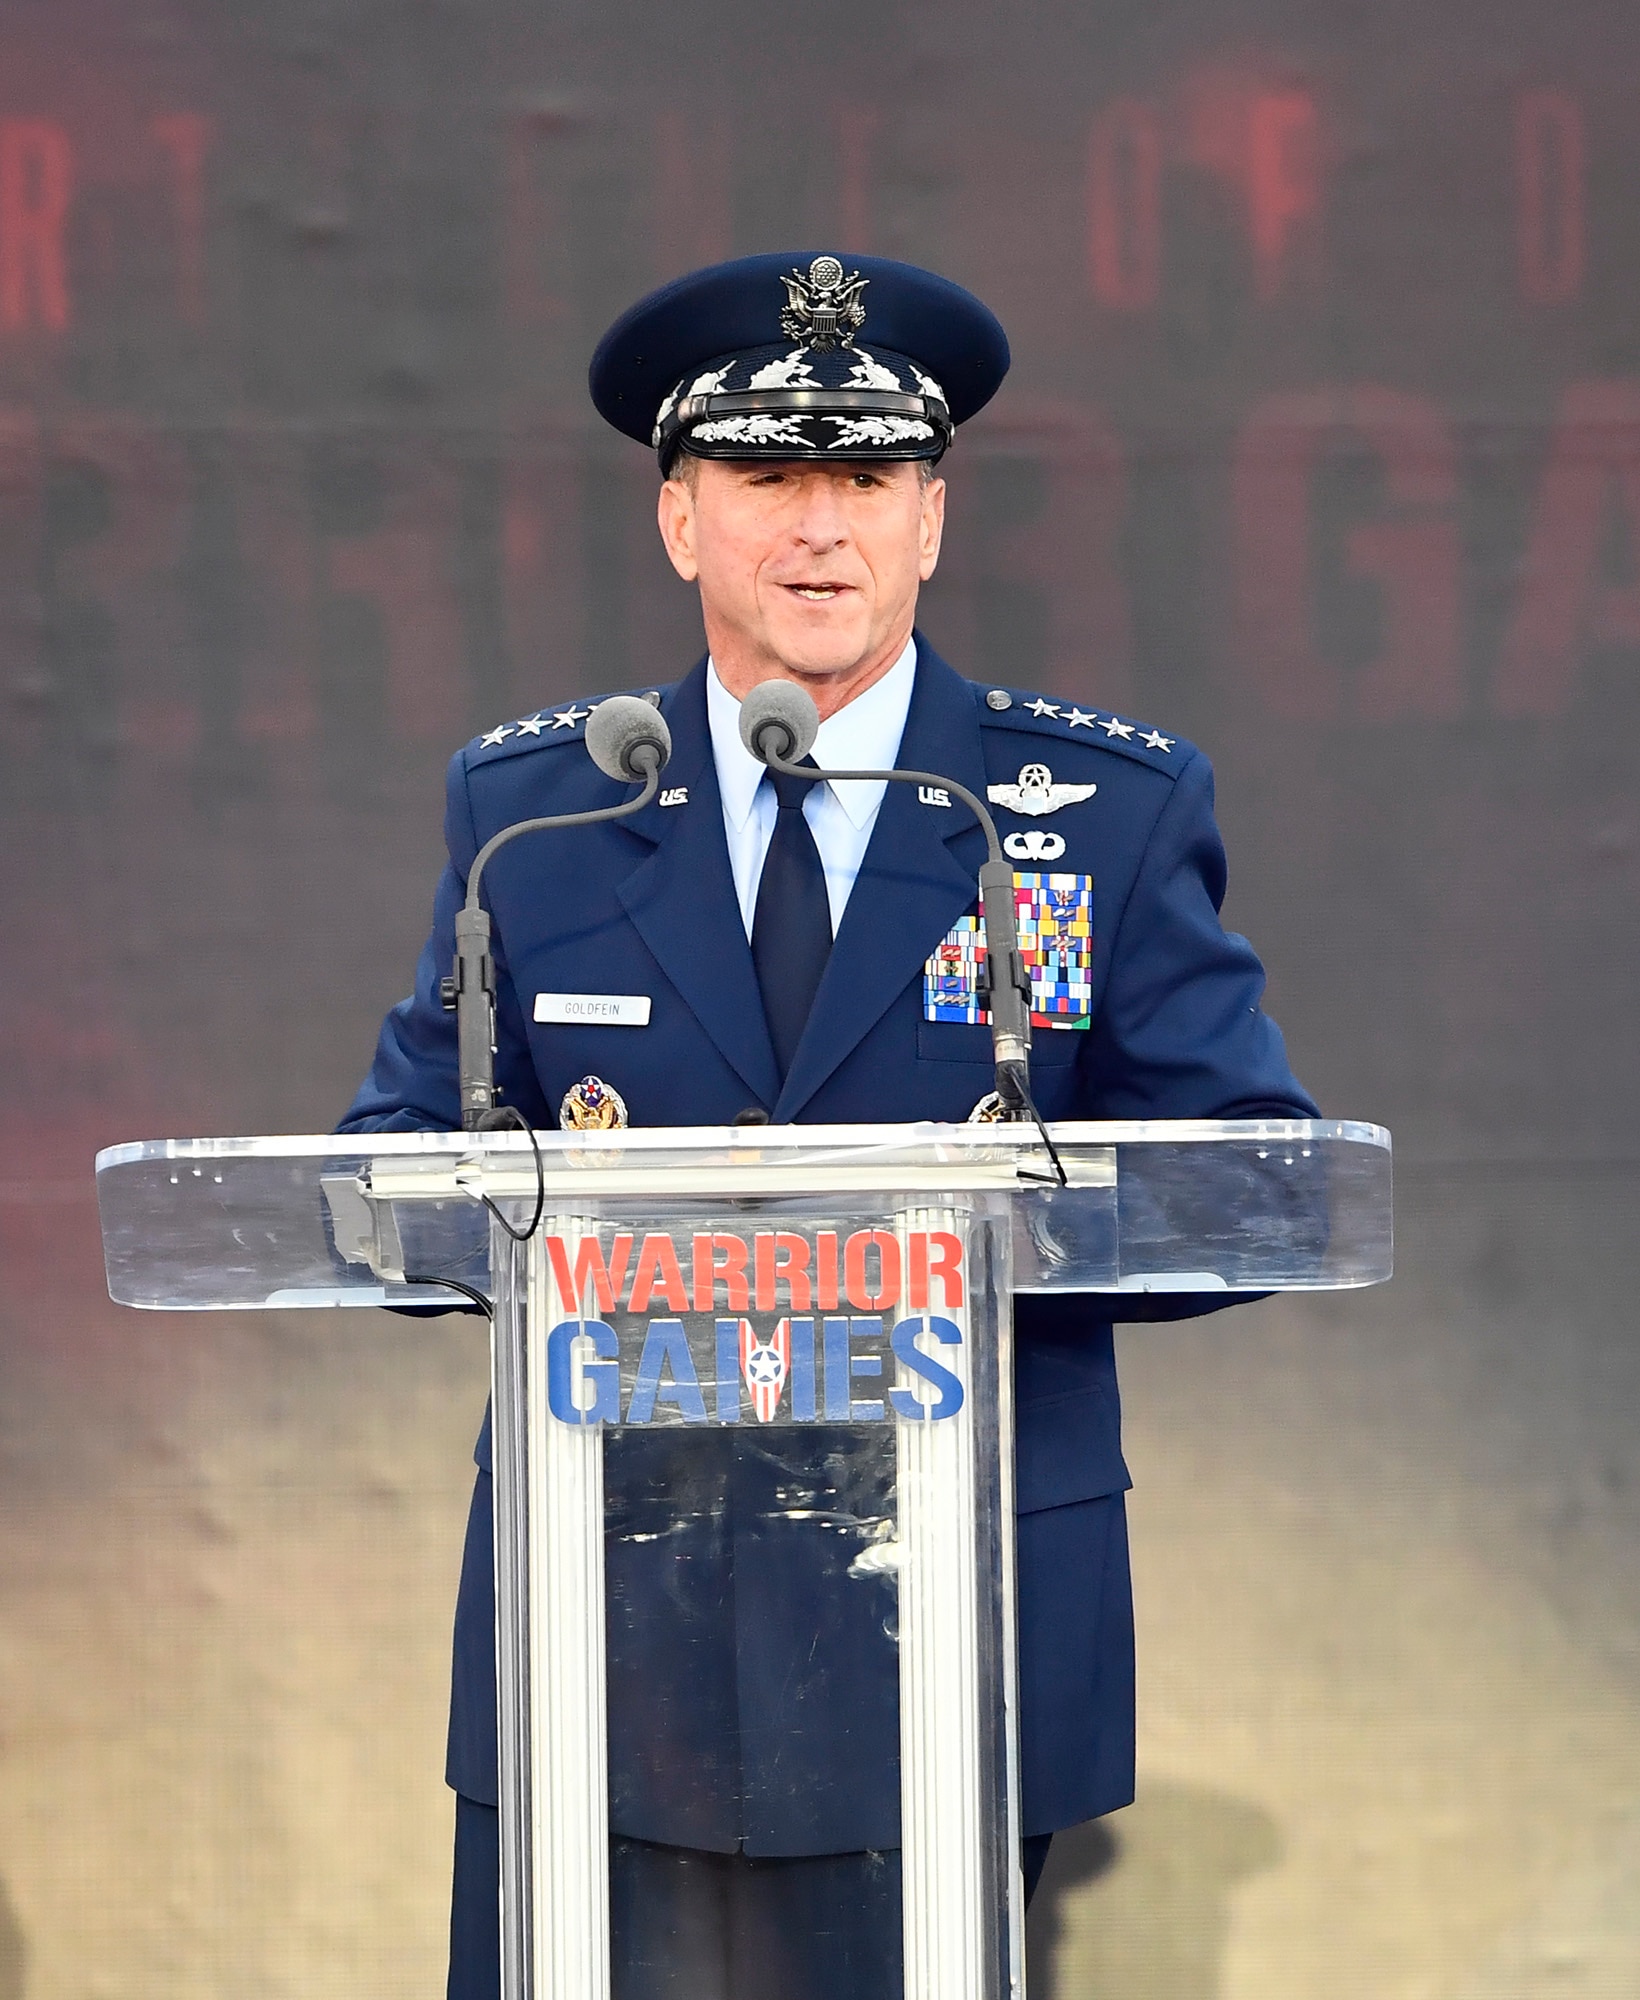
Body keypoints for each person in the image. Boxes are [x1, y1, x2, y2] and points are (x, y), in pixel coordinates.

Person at [339, 250, 1318, 2000]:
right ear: (678, 520)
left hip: (946, 1613)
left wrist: (945, 1253)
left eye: (866, 478)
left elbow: (1244, 1169)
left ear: (931, 522)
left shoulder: (1092, 811)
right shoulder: (534, 812)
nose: (820, 527)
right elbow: (402, 1156)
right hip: (605, 1621)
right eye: (767, 478)